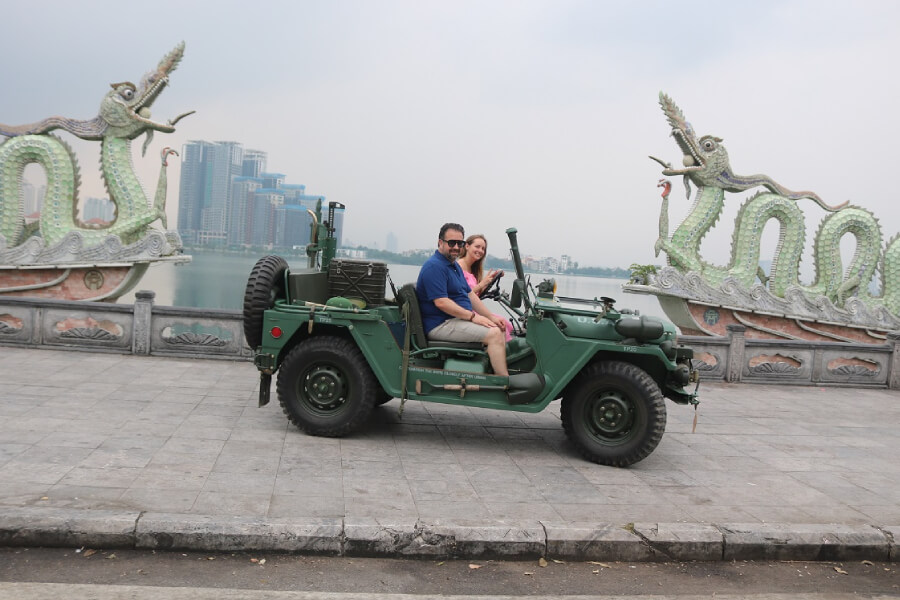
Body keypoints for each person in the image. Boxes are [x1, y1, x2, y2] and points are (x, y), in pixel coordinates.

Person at [416, 223, 509, 376]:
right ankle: (504, 382)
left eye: (460, 243)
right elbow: (441, 302)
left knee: (500, 327)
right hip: (440, 324)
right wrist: (473, 317)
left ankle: (489, 374)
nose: (456, 247)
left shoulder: (453, 265)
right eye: (451, 242)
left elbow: (469, 295)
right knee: (494, 334)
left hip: (454, 320)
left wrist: (489, 316)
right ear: (440, 242)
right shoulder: (434, 266)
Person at [458, 234, 513, 342]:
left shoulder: (472, 268)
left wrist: (489, 281)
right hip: (465, 311)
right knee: (499, 325)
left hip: (474, 309)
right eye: (477, 247)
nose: (480, 250)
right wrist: (481, 284)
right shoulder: (459, 266)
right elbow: (460, 295)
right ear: (467, 246)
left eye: (483, 248)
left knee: (505, 322)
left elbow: (476, 294)